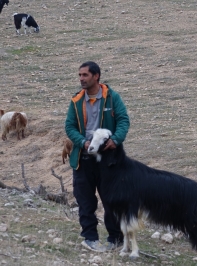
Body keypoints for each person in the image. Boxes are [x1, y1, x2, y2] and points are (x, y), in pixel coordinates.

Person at [65, 61, 130, 252]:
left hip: (108, 159)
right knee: (85, 200)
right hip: (83, 159)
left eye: (85, 75)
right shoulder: (76, 100)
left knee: (111, 199)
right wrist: (82, 142)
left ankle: (115, 238)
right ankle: (90, 238)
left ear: (96, 76)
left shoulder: (112, 98)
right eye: (79, 75)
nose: (81, 79)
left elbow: (124, 120)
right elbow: (69, 126)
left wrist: (116, 139)